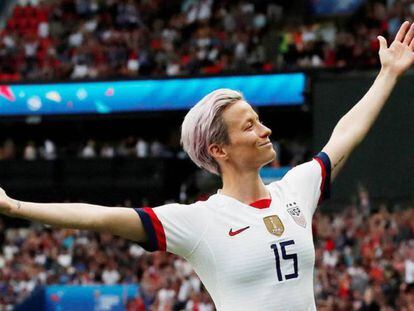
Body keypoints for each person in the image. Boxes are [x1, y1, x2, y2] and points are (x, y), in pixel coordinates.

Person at [1, 21, 414, 311]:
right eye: (249, 126)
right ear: (219, 149)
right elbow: (102, 217)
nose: (265, 130)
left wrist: (388, 75)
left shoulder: (296, 190)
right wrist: (15, 207)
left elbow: (346, 134)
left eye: (260, 120)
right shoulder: (199, 222)